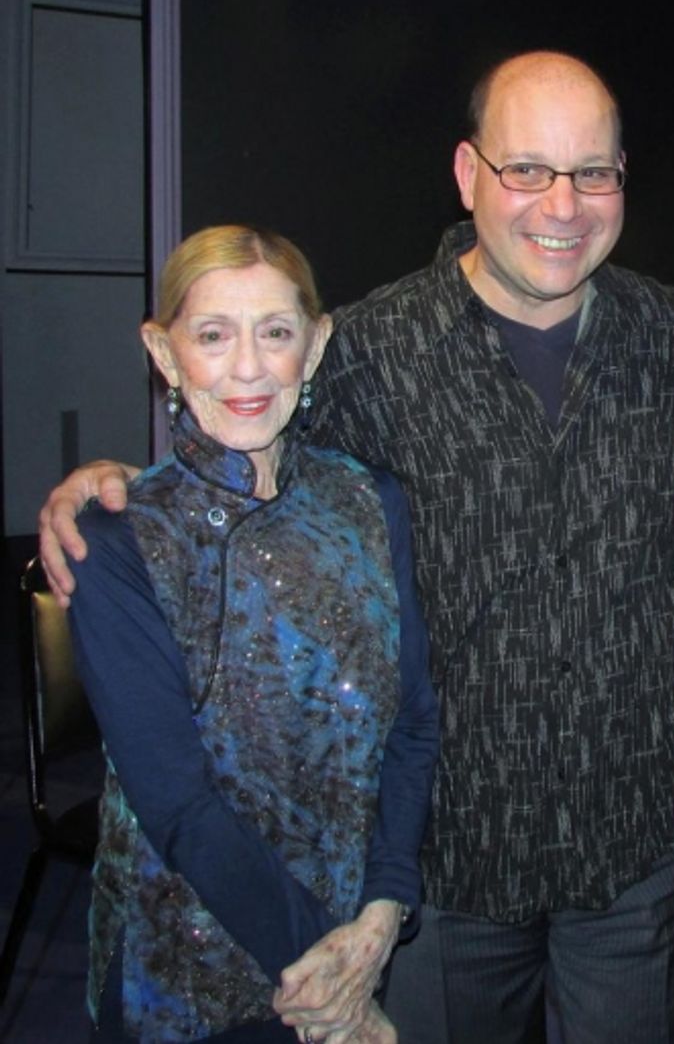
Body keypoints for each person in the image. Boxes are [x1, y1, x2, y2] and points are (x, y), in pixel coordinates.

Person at [42, 53, 674, 1044]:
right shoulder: (367, 346)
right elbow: (238, 448)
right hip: (440, 871)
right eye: (526, 169)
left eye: (593, 172)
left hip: (635, 851)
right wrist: (103, 488)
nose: (560, 205)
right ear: (468, 173)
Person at [64, 225, 439, 1042]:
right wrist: (336, 985)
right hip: (191, 973)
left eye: (275, 332)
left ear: (315, 346)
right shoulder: (119, 543)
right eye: (212, 335)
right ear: (164, 355)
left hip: (356, 935)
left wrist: (381, 914)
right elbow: (181, 806)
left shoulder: (370, 501)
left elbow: (414, 725)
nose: (246, 367)